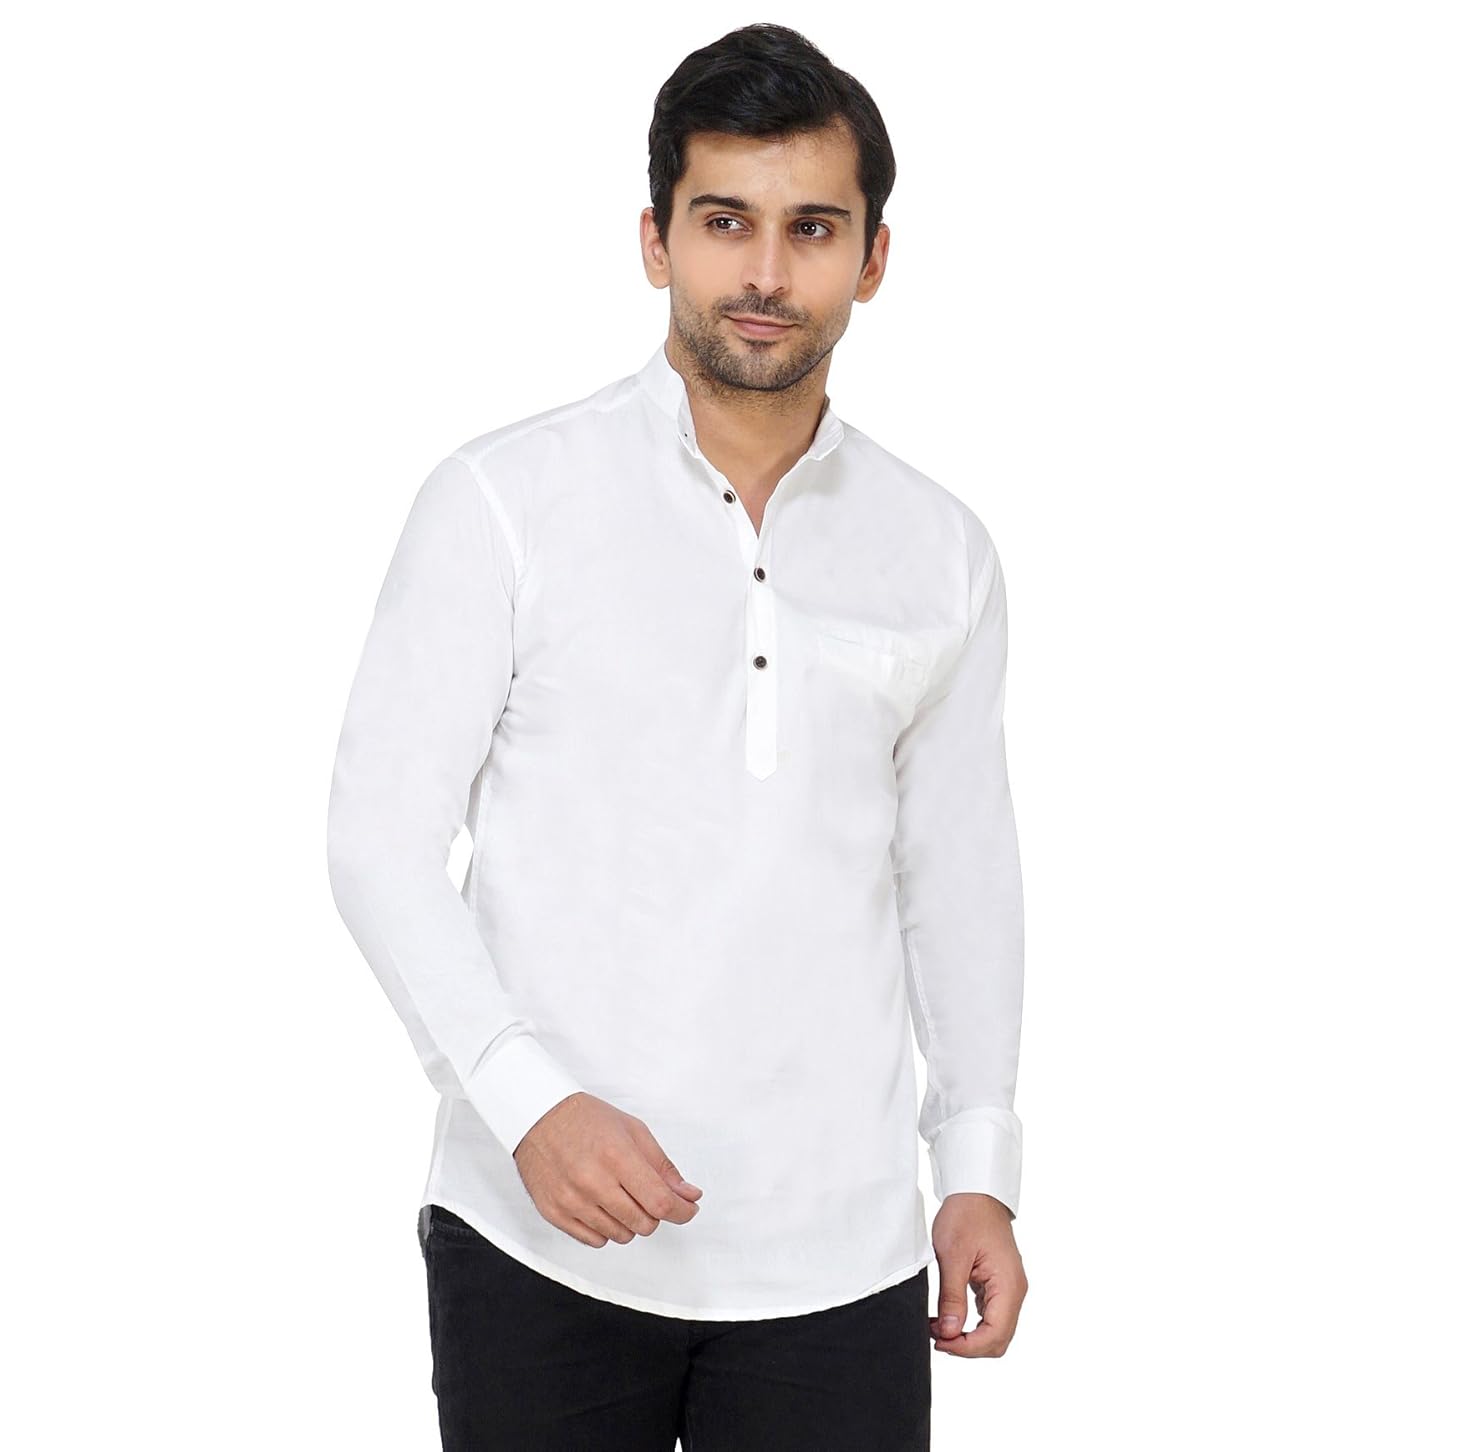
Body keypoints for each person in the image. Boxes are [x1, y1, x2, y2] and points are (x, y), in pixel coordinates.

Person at [326, 21, 1028, 1450]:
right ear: (656, 242)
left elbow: (958, 879)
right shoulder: (504, 502)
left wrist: (978, 1164)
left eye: (811, 228)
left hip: (840, 1256)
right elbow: (378, 841)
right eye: (725, 222)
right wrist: (528, 1102)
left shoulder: (941, 552)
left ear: (873, 260)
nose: (766, 273)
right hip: (538, 1234)